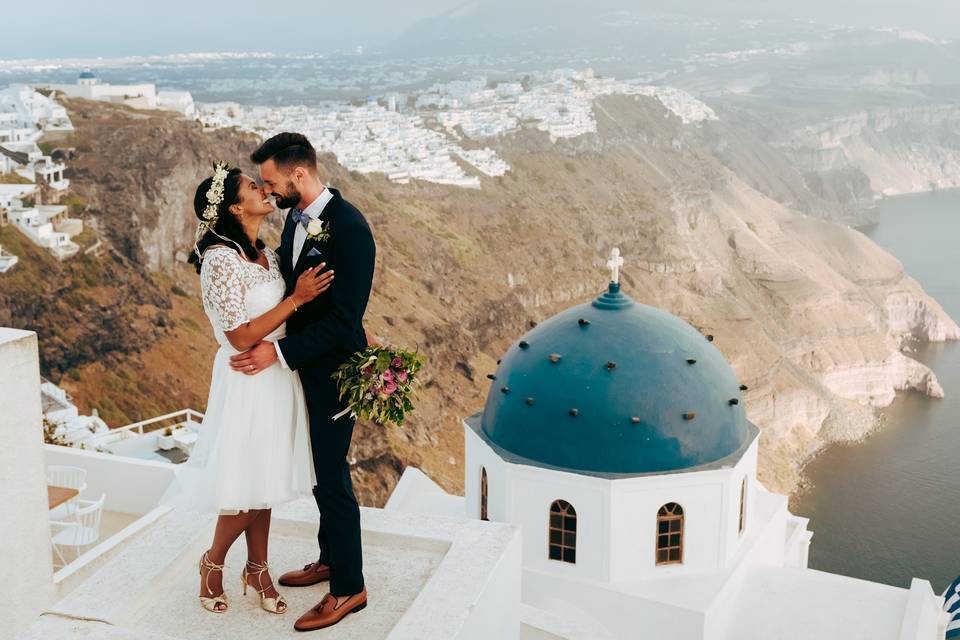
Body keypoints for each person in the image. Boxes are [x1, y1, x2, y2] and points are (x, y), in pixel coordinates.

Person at [229, 133, 376, 631]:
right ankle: (329, 557)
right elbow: (303, 297)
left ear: (299, 174)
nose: (268, 192)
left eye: (272, 181)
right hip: (306, 372)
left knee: (332, 476)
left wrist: (279, 351)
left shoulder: (350, 228)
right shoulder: (295, 218)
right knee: (318, 470)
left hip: (333, 371)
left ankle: (349, 588)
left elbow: (343, 319)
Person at [174, 163, 333, 615]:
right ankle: (213, 561)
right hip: (246, 378)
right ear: (234, 207)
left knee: (265, 478)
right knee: (245, 483)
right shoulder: (220, 261)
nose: (264, 190)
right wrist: (295, 299)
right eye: (252, 186)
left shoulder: (267, 255)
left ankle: (258, 567)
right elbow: (240, 336)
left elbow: (286, 323)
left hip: (278, 375)